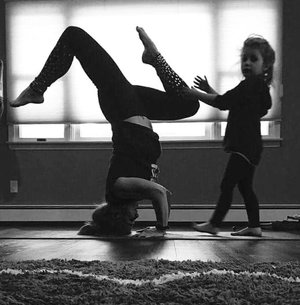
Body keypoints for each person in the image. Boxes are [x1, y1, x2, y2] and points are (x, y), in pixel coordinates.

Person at [10, 26, 199, 237]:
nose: (136, 218)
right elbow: (166, 195)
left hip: (122, 106)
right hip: (135, 107)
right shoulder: (132, 192)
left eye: (129, 219)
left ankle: (37, 88)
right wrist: (157, 225)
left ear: (117, 213)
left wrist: (161, 230)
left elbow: (160, 193)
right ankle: (154, 58)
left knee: (74, 36)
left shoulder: (119, 188)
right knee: (190, 104)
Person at [183, 35, 275, 237]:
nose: (247, 63)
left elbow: (223, 102)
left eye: (253, 59)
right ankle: (254, 226)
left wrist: (195, 94)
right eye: (244, 59)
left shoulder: (249, 85)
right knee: (245, 187)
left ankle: (214, 224)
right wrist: (208, 90)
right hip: (252, 147)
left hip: (244, 146)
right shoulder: (258, 88)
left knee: (228, 183)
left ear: (266, 65)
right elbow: (230, 103)